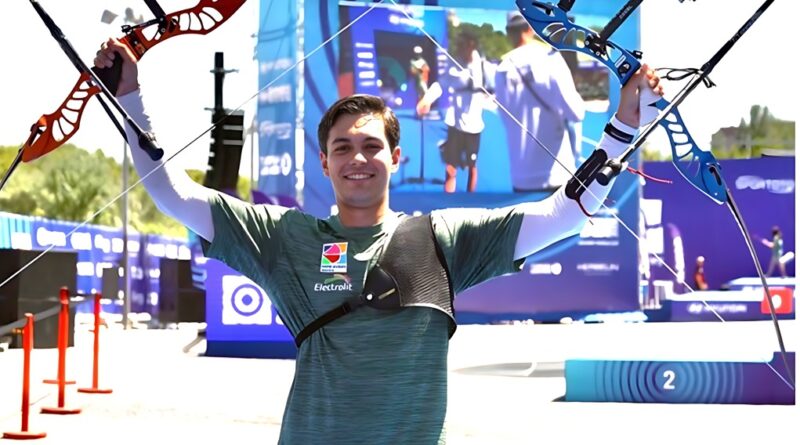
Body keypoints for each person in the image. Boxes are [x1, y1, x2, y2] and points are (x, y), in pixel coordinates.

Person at [95, 36, 662, 444]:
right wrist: (130, 97)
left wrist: (623, 129)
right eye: (342, 147)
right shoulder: (286, 238)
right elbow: (172, 193)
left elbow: (564, 215)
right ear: (324, 163)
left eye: (371, 146)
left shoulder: (442, 239)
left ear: (397, 157)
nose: (357, 158)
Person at [494, 11, 586, 192]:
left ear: (508, 32)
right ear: (531, 28)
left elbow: (504, 118)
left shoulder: (502, 69)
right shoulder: (550, 59)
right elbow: (576, 113)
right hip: (556, 174)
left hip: (521, 177)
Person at [415, 30, 496, 193]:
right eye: (458, 45)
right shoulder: (454, 65)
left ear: (471, 45)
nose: (458, 48)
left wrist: (490, 99)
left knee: (472, 168)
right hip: (455, 126)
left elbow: (496, 93)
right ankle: (448, 201)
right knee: (450, 169)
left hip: (474, 127)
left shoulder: (484, 67)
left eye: (462, 45)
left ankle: (470, 200)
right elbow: (440, 85)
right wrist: (426, 100)